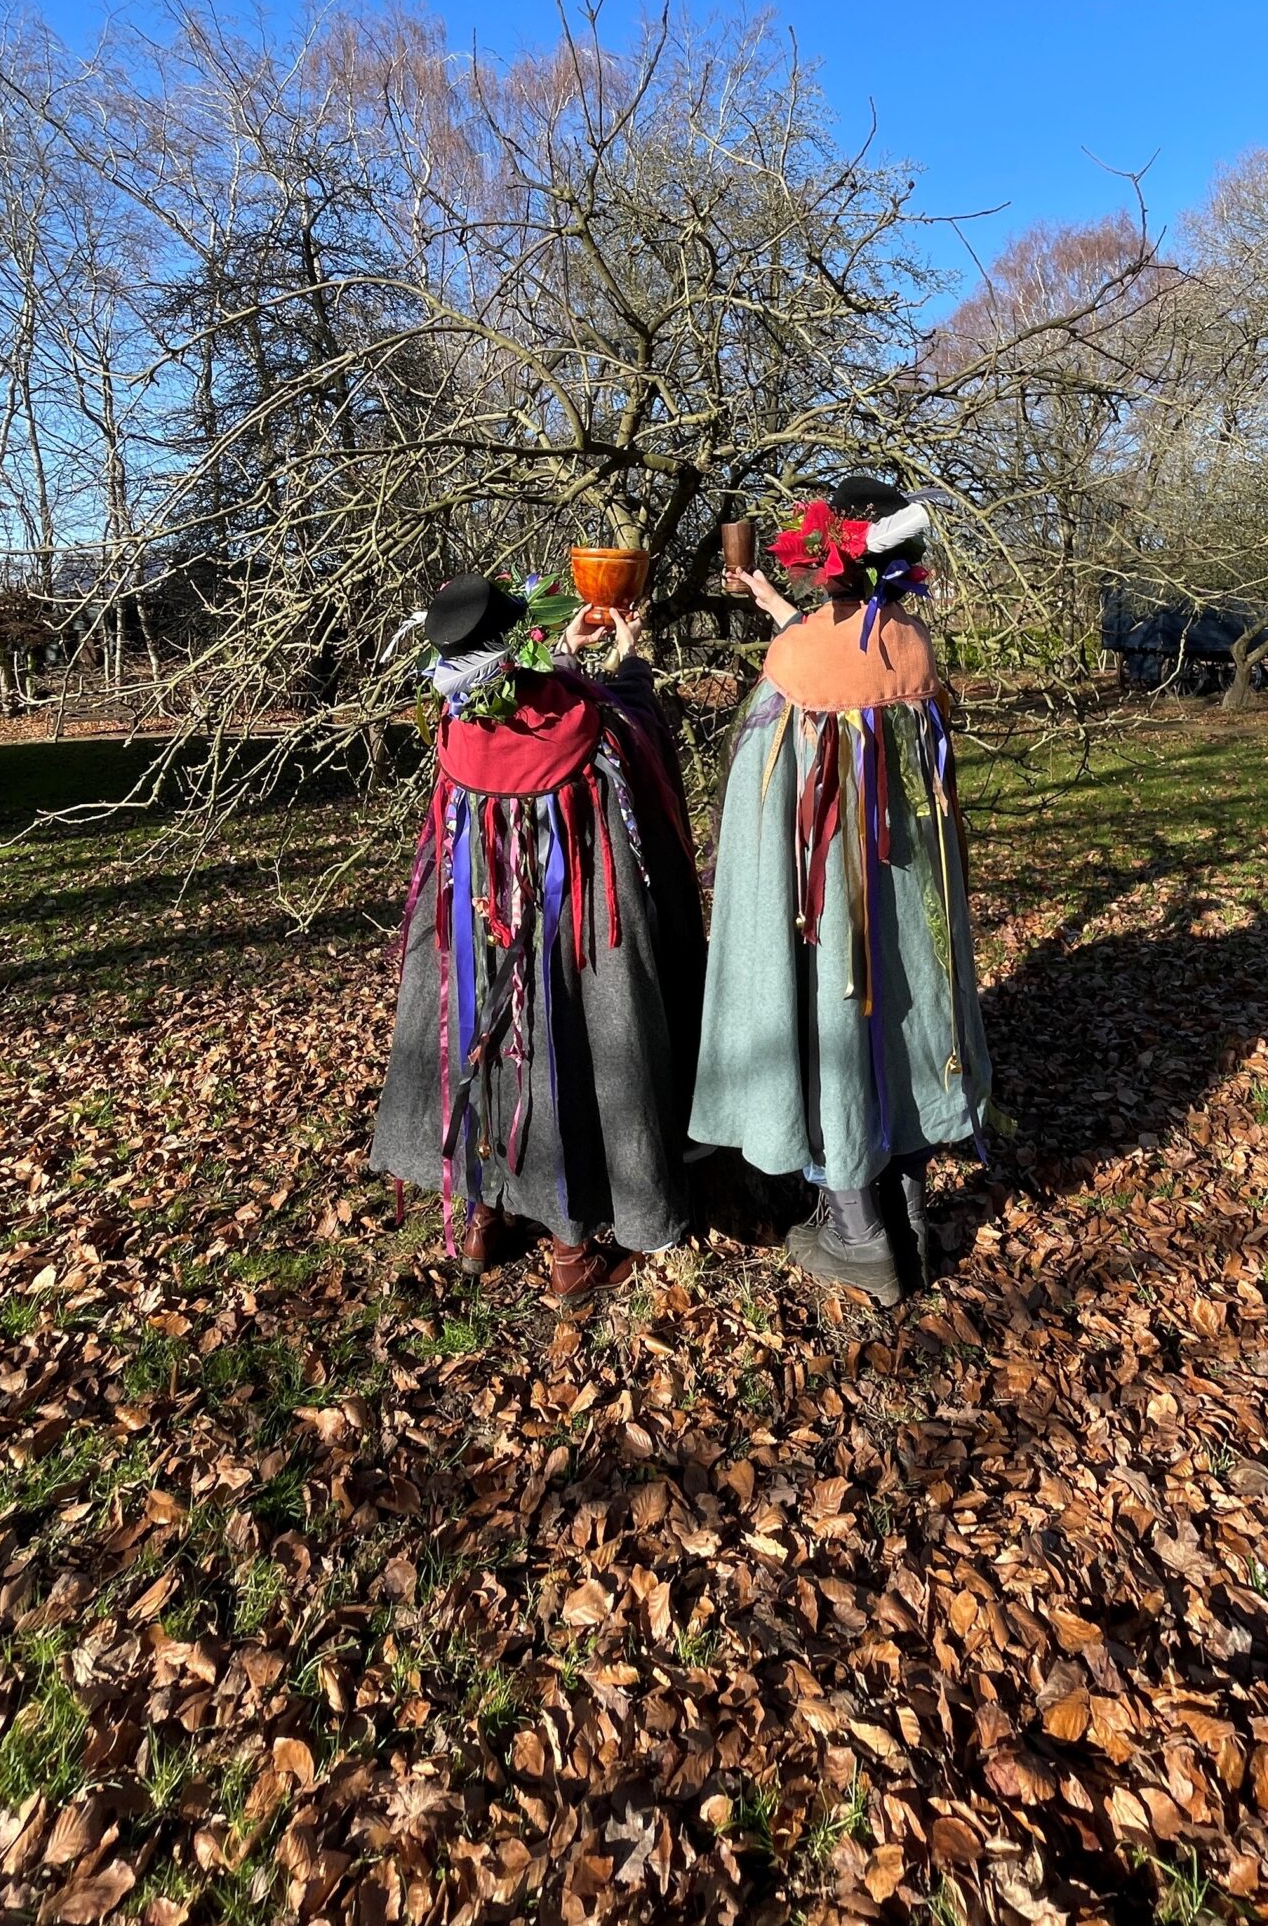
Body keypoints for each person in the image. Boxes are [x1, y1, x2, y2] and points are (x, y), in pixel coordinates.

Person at [689, 477, 992, 1305]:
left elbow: (780, 771)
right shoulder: (912, 649)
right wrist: (773, 606)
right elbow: (850, 654)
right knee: (902, 1020)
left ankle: (857, 1237)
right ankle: (909, 1211)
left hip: (820, 903)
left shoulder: (792, 673)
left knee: (833, 1024)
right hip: (900, 895)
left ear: (826, 565)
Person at [370, 571, 705, 1296]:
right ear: (516, 645)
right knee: (569, 1052)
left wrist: (562, 650)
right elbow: (630, 727)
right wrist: (629, 662)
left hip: (473, 922)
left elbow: (522, 697)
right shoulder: (584, 724)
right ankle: (570, 1254)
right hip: (573, 927)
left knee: (484, 1044)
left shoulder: (458, 724)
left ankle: (484, 1220)